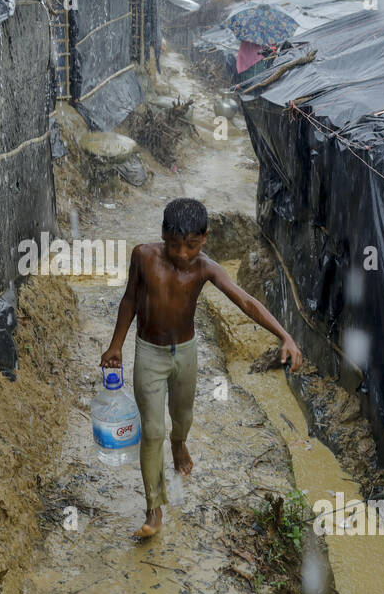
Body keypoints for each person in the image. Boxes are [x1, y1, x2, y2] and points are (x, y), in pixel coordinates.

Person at [99, 198, 304, 539]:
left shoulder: (205, 267)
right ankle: (154, 509)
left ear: (205, 238)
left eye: (191, 246)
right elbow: (130, 300)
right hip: (149, 353)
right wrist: (116, 345)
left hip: (186, 354)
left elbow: (246, 301)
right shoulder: (144, 256)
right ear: (163, 234)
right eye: (175, 245)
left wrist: (285, 336)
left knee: (183, 418)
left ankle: (180, 444)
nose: (182, 254)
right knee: (151, 431)